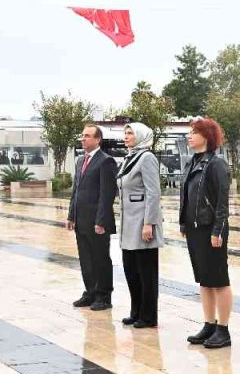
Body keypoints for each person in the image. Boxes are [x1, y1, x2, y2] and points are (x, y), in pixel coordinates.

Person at [180, 117, 232, 350]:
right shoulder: (192, 161)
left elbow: (222, 201)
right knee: (204, 279)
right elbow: (187, 195)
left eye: (194, 132)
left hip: (211, 228)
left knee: (219, 279)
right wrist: (184, 223)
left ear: (206, 136)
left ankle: (223, 329)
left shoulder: (216, 164)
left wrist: (217, 229)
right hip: (195, 228)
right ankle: (209, 324)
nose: (189, 136)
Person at [66, 124, 118, 311]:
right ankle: (90, 292)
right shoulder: (81, 160)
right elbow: (76, 191)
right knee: (86, 259)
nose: (83, 139)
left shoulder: (106, 161)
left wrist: (101, 221)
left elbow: (107, 194)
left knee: (100, 259)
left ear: (98, 140)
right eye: (82, 135)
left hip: (97, 221)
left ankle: (103, 296)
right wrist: (71, 215)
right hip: (81, 220)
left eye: (87, 136)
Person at [117, 123, 162, 329]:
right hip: (128, 223)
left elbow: (153, 192)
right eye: (125, 133)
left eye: (130, 133)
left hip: (142, 223)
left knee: (146, 273)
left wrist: (149, 223)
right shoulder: (129, 158)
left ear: (141, 136)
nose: (126, 137)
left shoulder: (147, 158)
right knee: (131, 271)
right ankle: (136, 312)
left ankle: (148, 316)